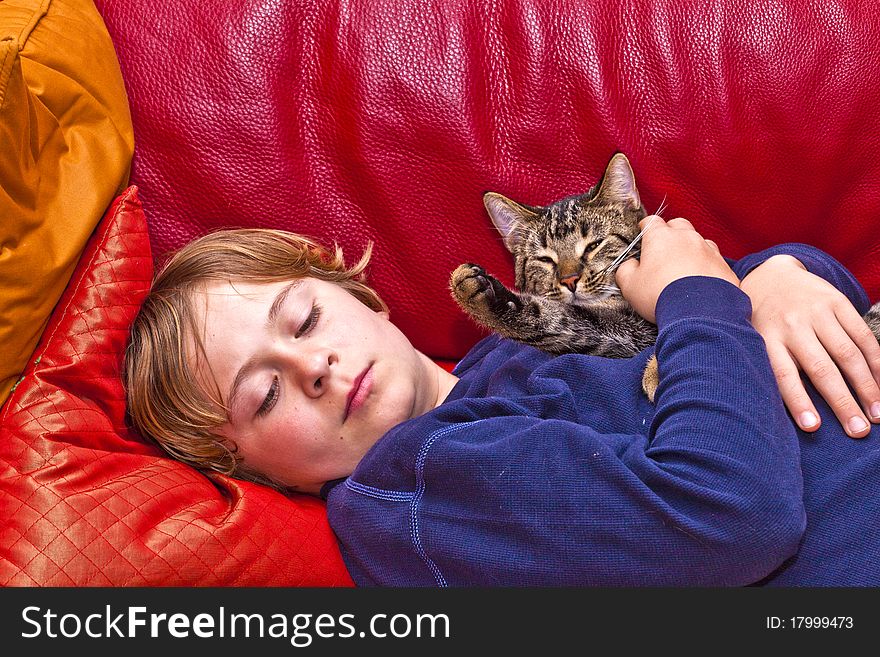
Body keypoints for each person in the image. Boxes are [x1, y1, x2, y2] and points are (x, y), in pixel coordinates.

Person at [125, 217, 880, 586]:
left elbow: (752, 317)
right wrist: (709, 296)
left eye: (303, 319)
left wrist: (780, 275)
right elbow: (733, 512)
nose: (310, 365)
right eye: (264, 395)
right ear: (251, 469)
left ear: (356, 291)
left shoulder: (509, 351)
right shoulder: (411, 485)